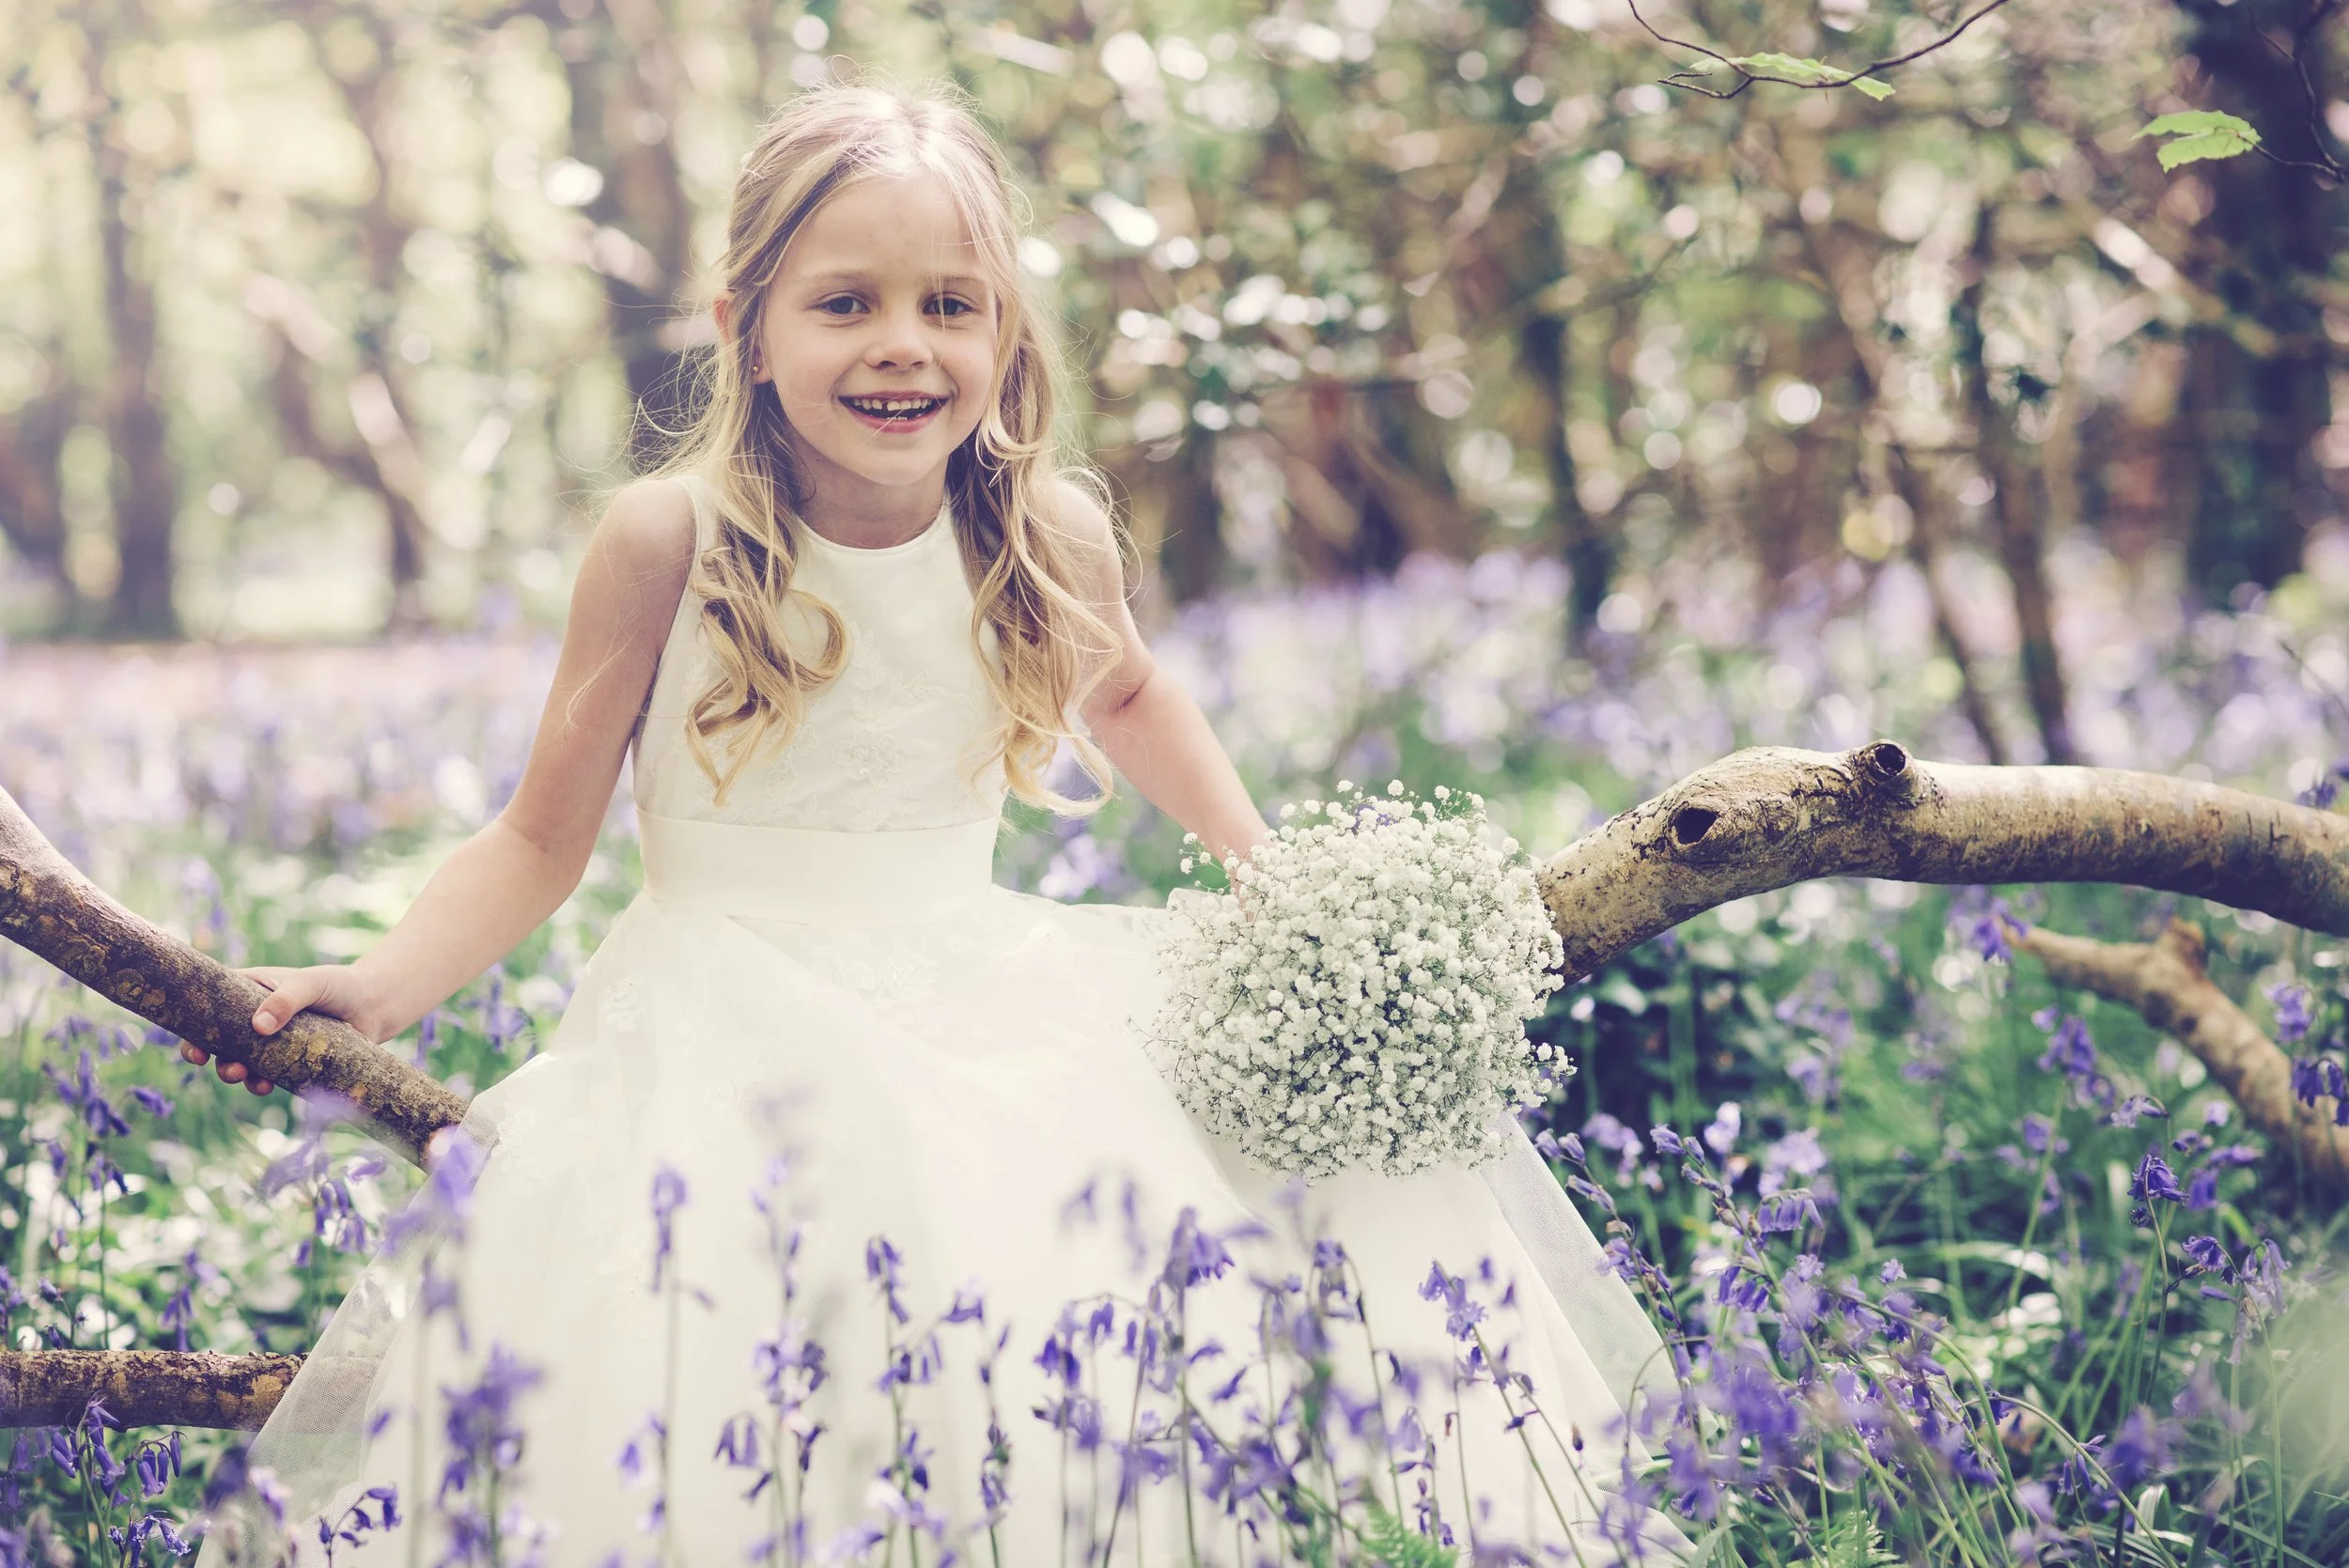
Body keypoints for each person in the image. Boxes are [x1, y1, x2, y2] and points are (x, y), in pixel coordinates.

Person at [186, 80, 1678, 1567]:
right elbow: (536, 840)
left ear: (1004, 338)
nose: (903, 341)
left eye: (950, 304)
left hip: (989, 984)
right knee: (739, 1362)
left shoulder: (1042, 534)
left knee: (1136, 1283)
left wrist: (1281, 890)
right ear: (745, 330)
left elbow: (1138, 699)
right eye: (845, 302)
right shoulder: (669, 543)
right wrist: (375, 989)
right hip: (721, 1019)